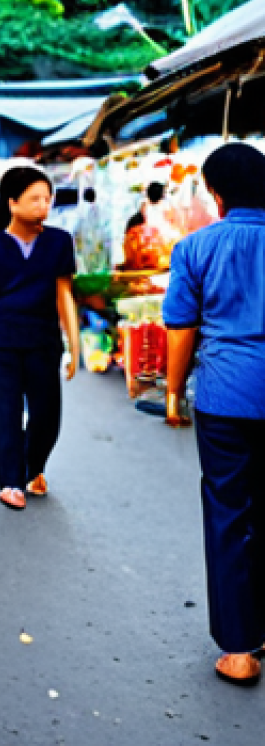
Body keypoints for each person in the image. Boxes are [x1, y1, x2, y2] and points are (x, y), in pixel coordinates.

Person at [163, 143, 265, 687]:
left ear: (217, 196)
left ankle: (241, 649)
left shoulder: (195, 247)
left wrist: (174, 393)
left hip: (226, 396)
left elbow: (180, 326)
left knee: (230, 512)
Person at [0, 166, 80, 511]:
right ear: (12, 203)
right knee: (7, 412)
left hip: (44, 340)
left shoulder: (59, 242)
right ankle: (11, 481)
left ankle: (33, 467)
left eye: (47, 199)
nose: (44, 206)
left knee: (47, 416)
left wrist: (74, 344)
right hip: (5, 342)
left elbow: (64, 295)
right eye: (35, 199)